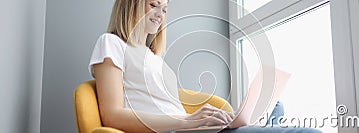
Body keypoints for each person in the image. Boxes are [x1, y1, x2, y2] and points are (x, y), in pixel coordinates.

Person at [88, 0, 321, 132]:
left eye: (166, 9)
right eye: (154, 4)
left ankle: (253, 124)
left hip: (189, 129)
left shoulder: (153, 57)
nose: (161, 14)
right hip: (176, 130)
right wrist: (187, 121)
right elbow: (112, 116)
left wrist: (208, 120)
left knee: (275, 105)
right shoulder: (111, 43)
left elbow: (170, 107)